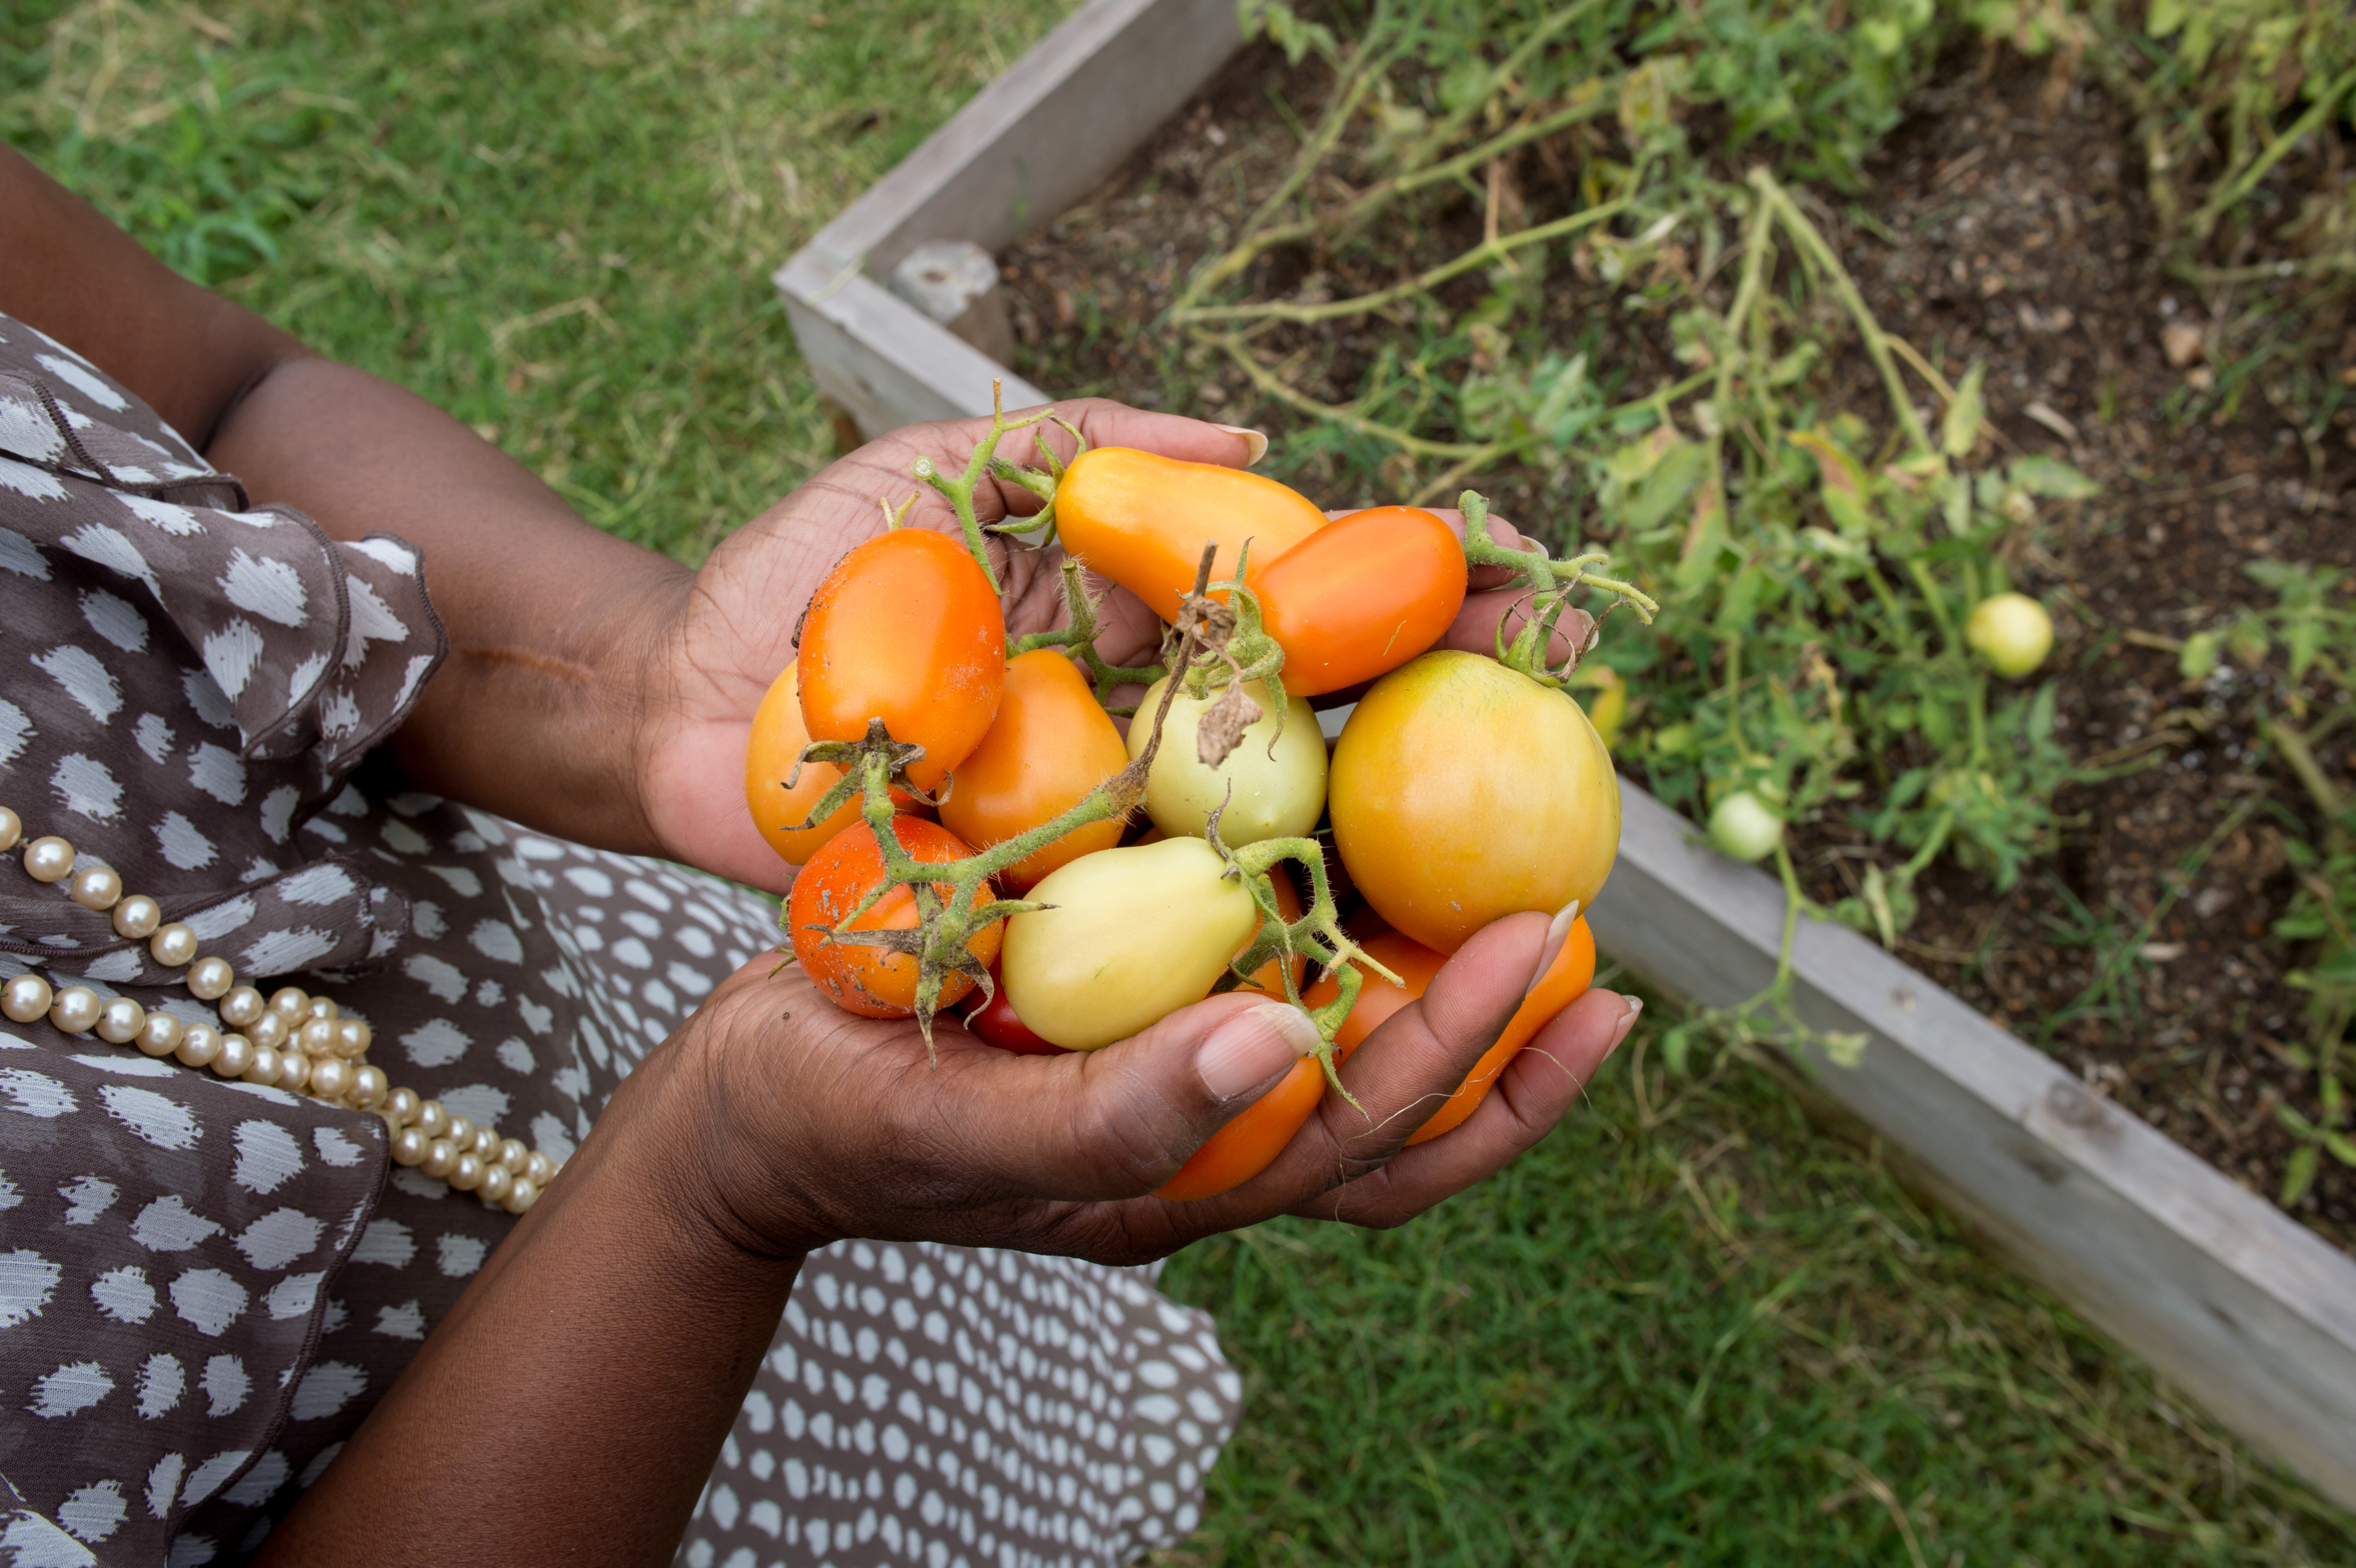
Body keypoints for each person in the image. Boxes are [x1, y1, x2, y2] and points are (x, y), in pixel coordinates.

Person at [0, 144, 1640, 1566]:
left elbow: (220, 407)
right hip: (656, 1376)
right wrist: (721, 1189)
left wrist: (648, 700)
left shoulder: (908, 840)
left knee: (989, 1379)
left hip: (762, 964)